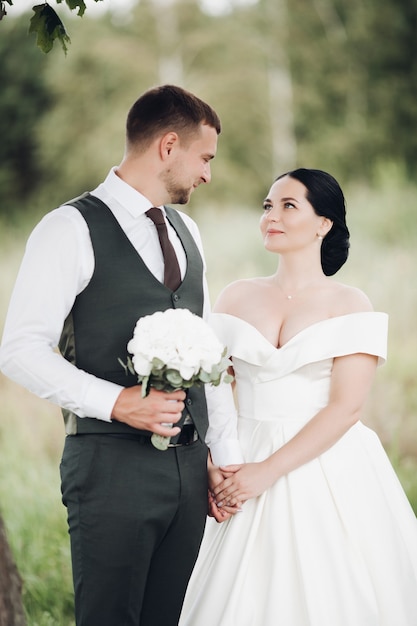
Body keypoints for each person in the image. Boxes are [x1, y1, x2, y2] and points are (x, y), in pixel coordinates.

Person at [0, 84, 243, 626]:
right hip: (111, 471)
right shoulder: (68, 228)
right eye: (204, 158)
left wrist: (223, 456)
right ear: (169, 145)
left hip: (189, 471)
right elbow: (17, 349)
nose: (207, 173)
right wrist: (117, 402)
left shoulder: (188, 231)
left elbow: (208, 350)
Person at [180, 168, 417, 626]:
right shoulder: (235, 297)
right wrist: (215, 467)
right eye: (268, 206)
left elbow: (346, 409)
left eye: (289, 206)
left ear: (323, 223)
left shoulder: (351, 304)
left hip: (325, 461)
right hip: (238, 456)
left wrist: (264, 474)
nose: (272, 216)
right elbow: (211, 392)